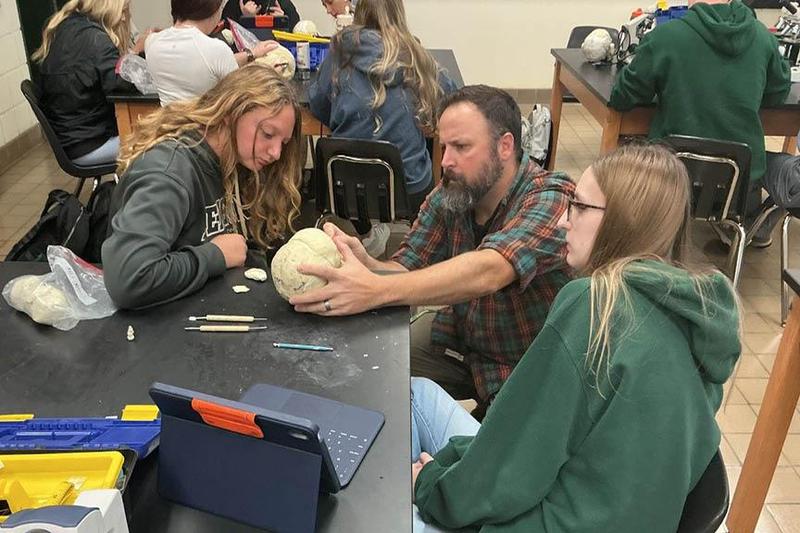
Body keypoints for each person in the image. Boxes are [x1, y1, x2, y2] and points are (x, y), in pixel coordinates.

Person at [410, 142, 742, 532]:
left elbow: (511, 473)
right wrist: (453, 466)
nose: (563, 222)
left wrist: (429, 485)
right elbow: (521, 449)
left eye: (580, 207)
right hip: (603, 509)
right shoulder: (693, 312)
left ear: (623, 219)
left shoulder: (595, 305)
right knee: (419, 394)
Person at [293, 85, 573, 412]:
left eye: (461, 147)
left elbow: (492, 269)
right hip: (464, 340)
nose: (446, 161)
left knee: (488, 455)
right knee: (372, 362)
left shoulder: (553, 197)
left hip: (527, 364)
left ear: (505, 146)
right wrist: (364, 264)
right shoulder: (451, 194)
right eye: (443, 145)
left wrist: (377, 288)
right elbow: (407, 267)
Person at [102, 65, 304, 309]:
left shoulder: (232, 160)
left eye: (283, 142)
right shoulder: (168, 174)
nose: (276, 153)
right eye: (268, 134)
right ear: (230, 113)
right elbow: (128, 279)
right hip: (158, 327)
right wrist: (215, 256)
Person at [609, 0, 791, 247]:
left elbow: (623, 97)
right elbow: (778, 93)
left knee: (629, 147)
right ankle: (749, 228)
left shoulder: (666, 37)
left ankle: (635, 226)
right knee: (780, 167)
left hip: (672, 176)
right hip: (738, 181)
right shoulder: (763, 38)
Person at [308, 0, 457, 256]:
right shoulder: (416, 56)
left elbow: (319, 105)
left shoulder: (340, 51)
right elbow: (451, 100)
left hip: (345, 186)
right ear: (399, 13)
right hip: (408, 188)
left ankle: (366, 229)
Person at [33, 0, 152, 166]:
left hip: (73, 140)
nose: (126, 17)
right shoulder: (96, 39)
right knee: (163, 140)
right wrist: (138, 51)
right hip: (90, 145)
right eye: (125, 10)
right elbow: (124, 85)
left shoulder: (67, 27)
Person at [146, 0, 279, 106]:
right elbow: (240, 97)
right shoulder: (215, 49)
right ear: (213, 11)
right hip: (204, 132)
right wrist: (266, 75)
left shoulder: (152, 42)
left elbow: (204, 63)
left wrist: (252, 53)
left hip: (167, 129)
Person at [222, 0, 301, 31]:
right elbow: (226, 38)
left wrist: (281, 23)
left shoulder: (283, 4)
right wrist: (246, 20)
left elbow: (298, 37)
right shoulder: (234, 4)